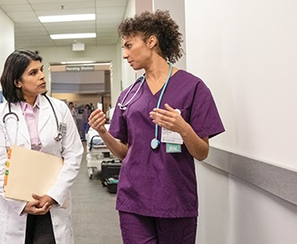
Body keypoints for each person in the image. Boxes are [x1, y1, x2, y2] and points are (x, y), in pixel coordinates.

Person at [88, 10, 224, 244]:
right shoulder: (129, 95)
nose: (125, 54)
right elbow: (123, 152)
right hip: (133, 198)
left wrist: (183, 128)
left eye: (129, 45)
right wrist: (103, 132)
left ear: (151, 41)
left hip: (176, 199)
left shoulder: (193, 88)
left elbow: (202, 152)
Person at [0, 49, 83, 244]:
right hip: (13, 204)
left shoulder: (59, 109)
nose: (41, 76)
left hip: (50, 198)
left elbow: (73, 154)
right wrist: (21, 204)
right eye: (33, 73)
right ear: (17, 81)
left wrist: (54, 195)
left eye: (41, 70)